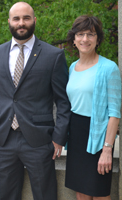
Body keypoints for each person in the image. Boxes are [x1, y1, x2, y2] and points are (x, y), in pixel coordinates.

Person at [0, 2, 71, 200]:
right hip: (3, 140)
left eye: (26, 18)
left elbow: (63, 101)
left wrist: (59, 136)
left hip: (39, 140)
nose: (21, 23)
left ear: (34, 20)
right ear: (9, 21)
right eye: (16, 18)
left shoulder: (54, 55)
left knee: (45, 195)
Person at [65, 15, 121, 200]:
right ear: (74, 39)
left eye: (90, 34)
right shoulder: (72, 67)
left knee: (99, 194)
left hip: (97, 138)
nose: (85, 39)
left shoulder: (109, 68)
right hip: (76, 135)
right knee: (80, 192)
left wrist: (107, 149)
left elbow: (114, 113)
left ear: (98, 39)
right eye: (80, 34)